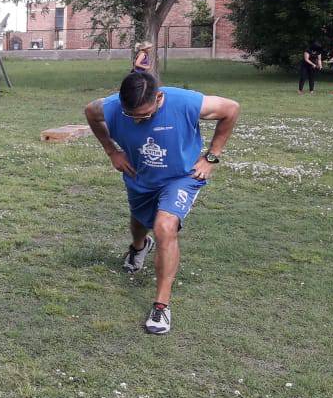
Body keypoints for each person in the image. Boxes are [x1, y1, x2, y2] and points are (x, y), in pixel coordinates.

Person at [84, 71, 240, 334]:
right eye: (130, 115)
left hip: (181, 177)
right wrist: (112, 150)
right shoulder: (109, 107)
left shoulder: (186, 102)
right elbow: (90, 112)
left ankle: (161, 306)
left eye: (144, 116)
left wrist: (212, 157)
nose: (137, 121)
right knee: (139, 222)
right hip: (140, 175)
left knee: (164, 226)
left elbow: (231, 109)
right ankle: (139, 246)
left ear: (159, 98)